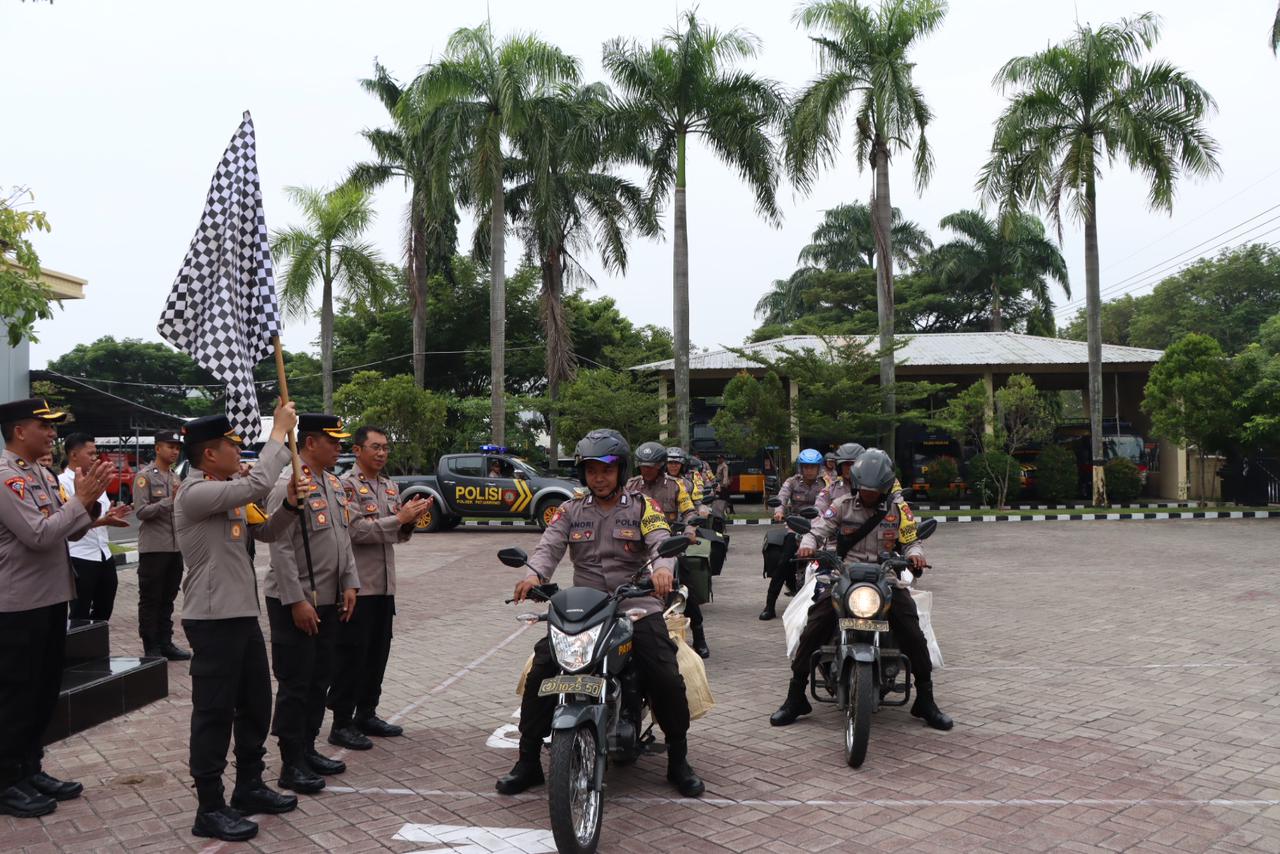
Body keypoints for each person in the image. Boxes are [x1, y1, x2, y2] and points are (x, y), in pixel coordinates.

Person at [496, 430, 704, 799]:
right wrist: (533, 575)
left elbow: (661, 542)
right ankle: (528, 759)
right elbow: (548, 547)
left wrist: (662, 569)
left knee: (664, 673)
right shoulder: (570, 509)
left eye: (606, 470)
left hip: (635, 605)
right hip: (586, 606)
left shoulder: (643, 507)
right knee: (542, 667)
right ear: (583, 474)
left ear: (621, 471)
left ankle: (678, 758)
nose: (599, 477)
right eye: (591, 470)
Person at [176, 406, 303, 841]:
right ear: (209, 455)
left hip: (241, 615)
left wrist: (289, 505)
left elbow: (266, 532)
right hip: (212, 620)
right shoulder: (194, 493)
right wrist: (278, 434)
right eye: (231, 444)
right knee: (213, 713)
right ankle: (209, 806)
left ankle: (249, 784)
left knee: (254, 704)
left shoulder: (225, 490)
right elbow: (258, 483)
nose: (237, 449)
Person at [770, 448, 953, 732]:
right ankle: (795, 697)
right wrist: (807, 543)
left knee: (914, 631)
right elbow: (818, 529)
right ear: (856, 485)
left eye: (875, 490)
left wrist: (916, 553)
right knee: (814, 625)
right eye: (865, 489)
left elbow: (912, 539)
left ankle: (926, 700)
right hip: (844, 576)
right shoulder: (841, 505)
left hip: (885, 578)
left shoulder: (897, 509)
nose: (869, 494)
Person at [0, 399, 112, 818]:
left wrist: (90, 502)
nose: (52, 434)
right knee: (16, 693)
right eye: (43, 426)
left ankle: (29, 767)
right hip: (18, 604)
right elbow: (40, 535)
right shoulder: (6, 478)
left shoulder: (41, 475)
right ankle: (6, 778)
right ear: (18, 431)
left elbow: (70, 527)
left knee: (44, 690)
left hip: (49, 598)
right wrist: (77, 500)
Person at [263, 414, 360, 794]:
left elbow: (342, 538)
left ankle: (307, 749)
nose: (339, 447)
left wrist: (350, 582)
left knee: (320, 679)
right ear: (311, 442)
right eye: (333, 441)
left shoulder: (333, 483)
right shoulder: (288, 483)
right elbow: (280, 548)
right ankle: (290, 763)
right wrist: (296, 600)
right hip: (296, 601)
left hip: (330, 598)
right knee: (296, 683)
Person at [330, 426, 432, 747]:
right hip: (358, 587)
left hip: (385, 588)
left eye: (386, 448)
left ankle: (367, 713)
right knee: (352, 657)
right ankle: (342, 722)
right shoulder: (345, 487)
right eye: (375, 447)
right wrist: (399, 519)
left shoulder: (390, 486)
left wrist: (410, 520)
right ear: (357, 451)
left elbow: (397, 535)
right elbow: (357, 531)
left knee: (378, 654)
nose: (382, 453)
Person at [626, 441, 709, 659]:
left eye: (651, 466)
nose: (646, 470)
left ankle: (699, 638)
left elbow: (690, 512)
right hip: (638, 548)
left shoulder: (675, 486)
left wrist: (690, 531)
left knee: (687, 589)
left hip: (670, 544)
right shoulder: (631, 486)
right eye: (643, 466)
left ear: (660, 465)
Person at [59, 434, 131, 622]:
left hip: (103, 553)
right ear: (74, 455)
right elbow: (67, 523)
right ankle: (77, 651)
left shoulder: (98, 481)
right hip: (80, 555)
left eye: (95, 453)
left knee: (104, 609)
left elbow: (103, 514)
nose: (95, 458)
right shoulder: (61, 483)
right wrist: (104, 520)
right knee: (79, 613)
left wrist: (113, 514)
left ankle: (96, 650)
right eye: (90, 453)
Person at [133, 429, 190, 660]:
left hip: (175, 548)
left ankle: (166, 642)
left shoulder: (176, 478)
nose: (174, 451)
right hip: (154, 548)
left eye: (177, 447)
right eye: (170, 446)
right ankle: (151, 645)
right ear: (158, 448)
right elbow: (141, 512)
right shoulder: (145, 476)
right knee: (151, 599)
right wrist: (170, 501)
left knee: (168, 598)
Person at [760, 449, 825, 620]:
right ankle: (770, 605)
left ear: (819, 468)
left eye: (812, 467)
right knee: (783, 562)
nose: (809, 470)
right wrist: (779, 511)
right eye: (805, 467)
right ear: (800, 468)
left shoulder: (827, 484)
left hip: (821, 529)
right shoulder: (792, 482)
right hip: (797, 527)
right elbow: (781, 498)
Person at [814, 442, 864, 516]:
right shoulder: (830, 490)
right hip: (833, 526)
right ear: (840, 467)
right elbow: (819, 510)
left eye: (854, 464)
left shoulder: (870, 491)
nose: (850, 468)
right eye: (846, 464)